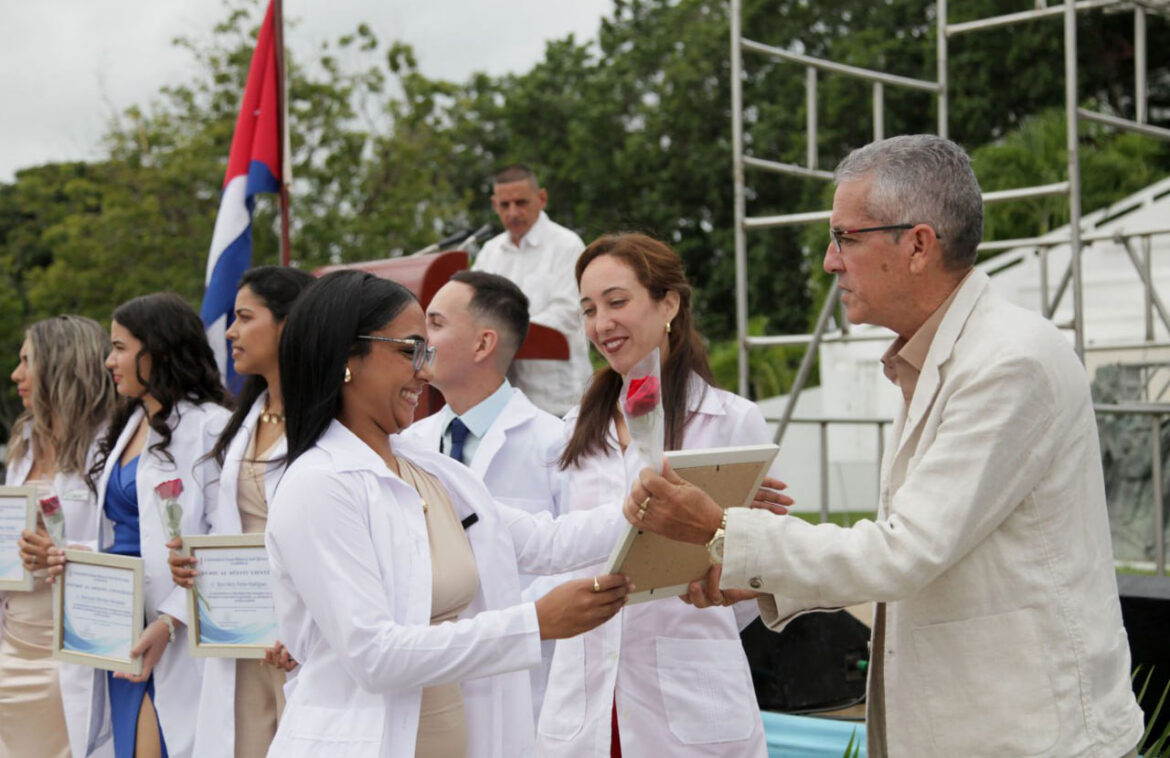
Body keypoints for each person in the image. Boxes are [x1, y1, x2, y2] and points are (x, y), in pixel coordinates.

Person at [627, 135, 1146, 757]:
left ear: (918, 245)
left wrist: (721, 533)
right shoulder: (934, 359)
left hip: (1032, 736)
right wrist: (757, 576)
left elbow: (905, 552)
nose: (829, 261)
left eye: (845, 237)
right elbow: (917, 557)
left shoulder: (1009, 363)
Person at [265, 270, 631, 757]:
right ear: (346, 356)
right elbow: (375, 656)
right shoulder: (318, 485)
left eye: (428, 350)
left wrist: (651, 509)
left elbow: (545, 542)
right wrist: (534, 623)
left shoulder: (429, 470)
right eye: (411, 350)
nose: (425, 371)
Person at [536, 233, 790, 757]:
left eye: (617, 301)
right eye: (588, 309)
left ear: (669, 303)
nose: (601, 324)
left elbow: (755, 566)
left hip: (689, 700)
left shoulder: (731, 421)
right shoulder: (570, 432)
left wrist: (703, 595)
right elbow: (556, 553)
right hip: (584, 704)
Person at [51, 293, 235, 758]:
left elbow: (223, 539)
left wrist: (171, 621)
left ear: (158, 351)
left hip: (173, 630)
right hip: (118, 628)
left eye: (119, 347)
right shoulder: (128, 422)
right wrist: (68, 554)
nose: (110, 361)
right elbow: (112, 533)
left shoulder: (212, 428)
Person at [401, 269, 568, 721]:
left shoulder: (556, 444)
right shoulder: (408, 445)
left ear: (483, 344)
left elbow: (578, 561)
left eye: (435, 324)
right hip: (429, 676)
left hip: (523, 687)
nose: (421, 339)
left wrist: (499, 629)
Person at [166, 266, 314, 757]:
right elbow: (224, 525)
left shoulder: (330, 422)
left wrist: (310, 625)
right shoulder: (244, 419)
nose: (230, 331)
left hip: (305, 634)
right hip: (240, 632)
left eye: (245, 317)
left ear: (288, 325)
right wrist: (193, 565)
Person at [3, 316, 117, 758]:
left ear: (61, 367)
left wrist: (59, 553)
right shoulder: (24, 441)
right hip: (12, 642)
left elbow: (124, 545)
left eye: (27, 361)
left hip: (73, 646)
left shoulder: (107, 447)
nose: (16, 374)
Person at [472, 164, 593, 416]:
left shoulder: (566, 245)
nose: (513, 212)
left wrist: (503, 331)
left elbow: (567, 314)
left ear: (542, 199)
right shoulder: (490, 252)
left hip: (559, 402)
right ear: (495, 205)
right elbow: (471, 309)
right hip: (504, 405)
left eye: (521, 202)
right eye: (505, 205)